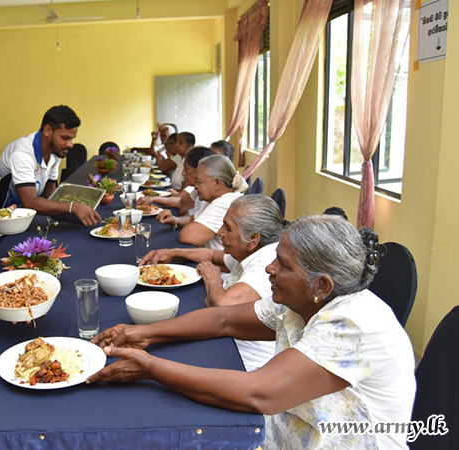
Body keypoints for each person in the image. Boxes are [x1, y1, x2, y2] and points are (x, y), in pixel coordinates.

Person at [88, 215, 416, 450]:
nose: (270, 269)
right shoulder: (306, 300)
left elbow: (260, 394)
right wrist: (145, 333)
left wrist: (150, 367)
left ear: (322, 284)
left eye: (284, 266)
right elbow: (224, 321)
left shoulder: (352, 324)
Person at [141, 195, 283, 371]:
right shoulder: (251, 251)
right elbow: (214, 257)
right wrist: (173, 252)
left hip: (243, 359)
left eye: (228, 228)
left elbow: (222, 305)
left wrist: (213, 279)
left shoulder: (266, 262)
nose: (219, 232)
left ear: (253, 240)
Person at [0, 105, 100, 226]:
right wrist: (73, 207)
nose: (70, 145)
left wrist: (74, 209)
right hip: (5, 222)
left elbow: (49, 194)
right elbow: (30, 203)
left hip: (28, 217)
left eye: (72, 139)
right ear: (47, 131)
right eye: (65, 138)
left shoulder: (55, 151)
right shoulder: (22, 154)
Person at [158, 155, 248, 250]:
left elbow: (188, 236)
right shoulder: (213, 199)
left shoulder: (225, 203)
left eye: (199, 182)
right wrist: (175, 220)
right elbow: (192, 219)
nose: (195, 186)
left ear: (217, 183)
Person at [138, 146, 213, 215]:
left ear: (199, 169)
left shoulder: (210, 196)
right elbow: (181, 203)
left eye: (186, 168)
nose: (183, 173)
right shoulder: (197, 189)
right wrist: (153, 198)